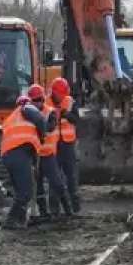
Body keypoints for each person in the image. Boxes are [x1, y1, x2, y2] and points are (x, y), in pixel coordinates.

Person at [0, 95, 47, 229]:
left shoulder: (11, 118)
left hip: (8, 155)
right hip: (18, 154)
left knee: (20, 191)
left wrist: (35, 164)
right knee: (25, 192)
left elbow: (28, 144)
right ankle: (11, 221)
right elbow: (40, 119)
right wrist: (42, 135)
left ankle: (20, 221)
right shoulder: (26, 107)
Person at [29, 83, 74, 219]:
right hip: (35, 155)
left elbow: (50, 127)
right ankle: (44, 212)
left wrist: (37, 127)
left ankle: (68, 211)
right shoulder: (28, 113)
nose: (37, 103)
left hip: (48, 155)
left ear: (43, 99)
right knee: (38, 186)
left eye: (39, 99)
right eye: (34, 100)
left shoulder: (50, 112)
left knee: (57, 184)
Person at [50, 77, 81, 215]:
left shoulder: (69, 101)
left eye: (63, 95)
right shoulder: (46, 102)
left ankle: (75, 207)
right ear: (53, 92)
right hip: (53, 145)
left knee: (71, 176)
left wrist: (67, 114)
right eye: (59, 95)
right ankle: (54, 208)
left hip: (68, 144)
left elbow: (76, 119)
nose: (61, 98)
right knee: (55, 177)